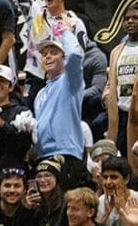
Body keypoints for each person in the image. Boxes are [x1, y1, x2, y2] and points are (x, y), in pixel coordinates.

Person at [34, 27, 86, 179]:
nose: (48, 57)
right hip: (42, 156)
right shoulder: (40, 94)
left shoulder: (70, 82)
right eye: (44, 54)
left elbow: (75, 55)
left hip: (66, 154)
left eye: (54, 53)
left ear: (64, 58)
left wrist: (66, 32)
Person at [0, 65, 33, 197]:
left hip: (12, 180)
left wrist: (2, 125)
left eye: (2, 81)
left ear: (10, 86)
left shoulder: (21, 113)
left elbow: (23, 145)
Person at [107, 3, 138, 157]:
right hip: (120, 116)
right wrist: (107, 97)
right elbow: (110, 83)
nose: (130, 21)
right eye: (127, 19)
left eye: (135, 18)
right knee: (122, 163)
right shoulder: (116, 51)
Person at [96, 156, 138, 225]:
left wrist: (121, 211)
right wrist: (105, 215)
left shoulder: (136, 199)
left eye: (113, 177)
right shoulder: (101, 202)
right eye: (105, 177)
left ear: (126, 179)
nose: (108, 182)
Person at [25, 156, 66, 226]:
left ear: (57, 179)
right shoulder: (34, 205)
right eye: (39, 176)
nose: (42, 180)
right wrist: (27, 210)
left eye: (47, 175)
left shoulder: (65, 204)